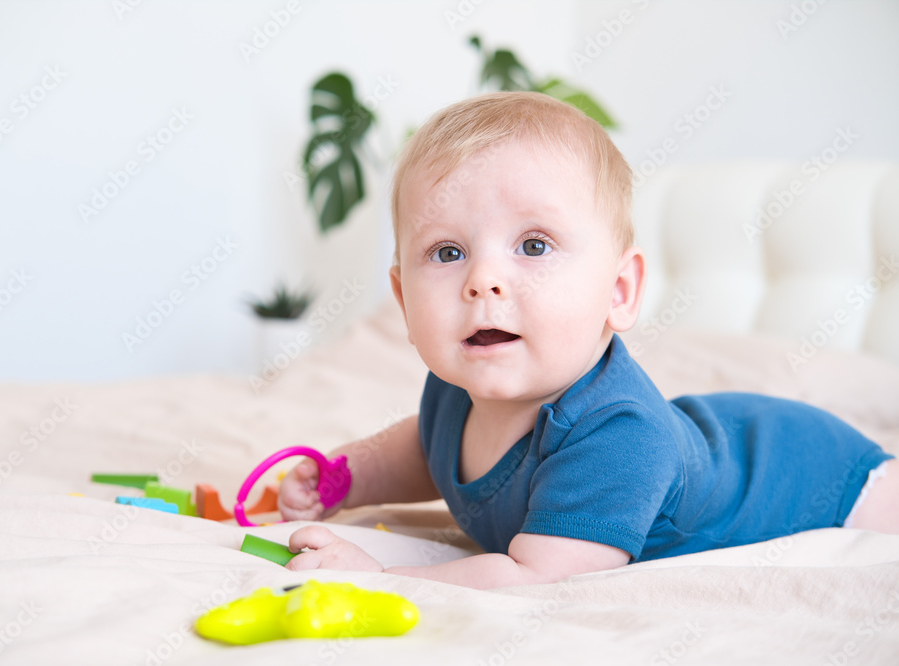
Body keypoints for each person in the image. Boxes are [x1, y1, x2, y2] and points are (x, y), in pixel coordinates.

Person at [276, 91, 898, 589]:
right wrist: (345, 476)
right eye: (447, 251)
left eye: (534, 245)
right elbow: (423, 449)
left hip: (817, 471)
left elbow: (535, 574)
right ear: (405, 301)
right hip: (720, 434)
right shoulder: (456, 384)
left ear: (619, 292)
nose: (483, 280)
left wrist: (382, 578)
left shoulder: (618, 437)